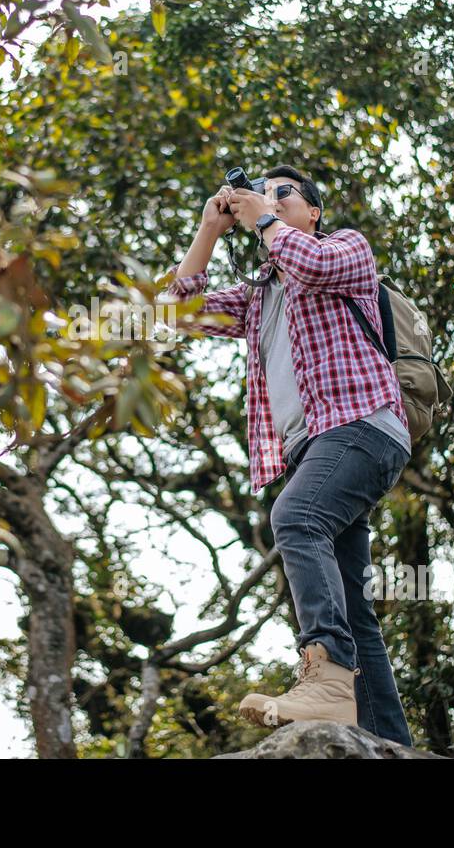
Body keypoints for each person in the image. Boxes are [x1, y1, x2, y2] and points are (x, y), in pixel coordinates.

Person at [164, 164, 414, 746]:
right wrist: (209, 231)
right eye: (263, 192)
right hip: (314, 449)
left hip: (362, 425)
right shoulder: (259, 295)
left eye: (286, 194)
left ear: (313, 211)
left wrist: (263, 217)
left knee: (297, 518)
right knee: (354, 605)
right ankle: (386, 741)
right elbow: (174, 314)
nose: (269, 200)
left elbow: (314, 263)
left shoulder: (344, 248)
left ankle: (324, 676)